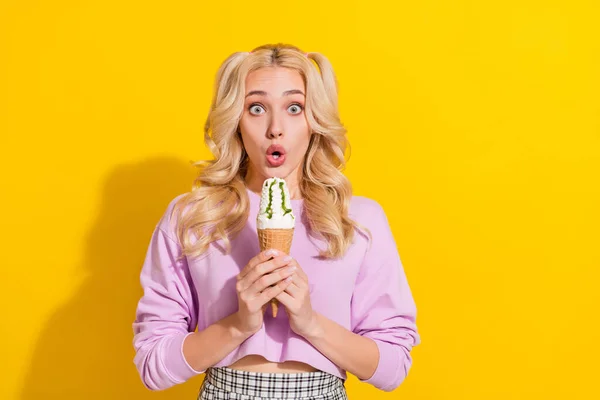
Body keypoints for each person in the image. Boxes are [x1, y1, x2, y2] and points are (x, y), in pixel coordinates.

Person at [132, 43, 420, 400]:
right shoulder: (192, 216)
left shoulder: (358, 219)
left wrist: (310, 324)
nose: (275, 129)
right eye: (256, 108)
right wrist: (238, 326)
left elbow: (392, 369)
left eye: (294, 108)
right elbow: (153, 367)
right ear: (236, 122)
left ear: (315, 121)